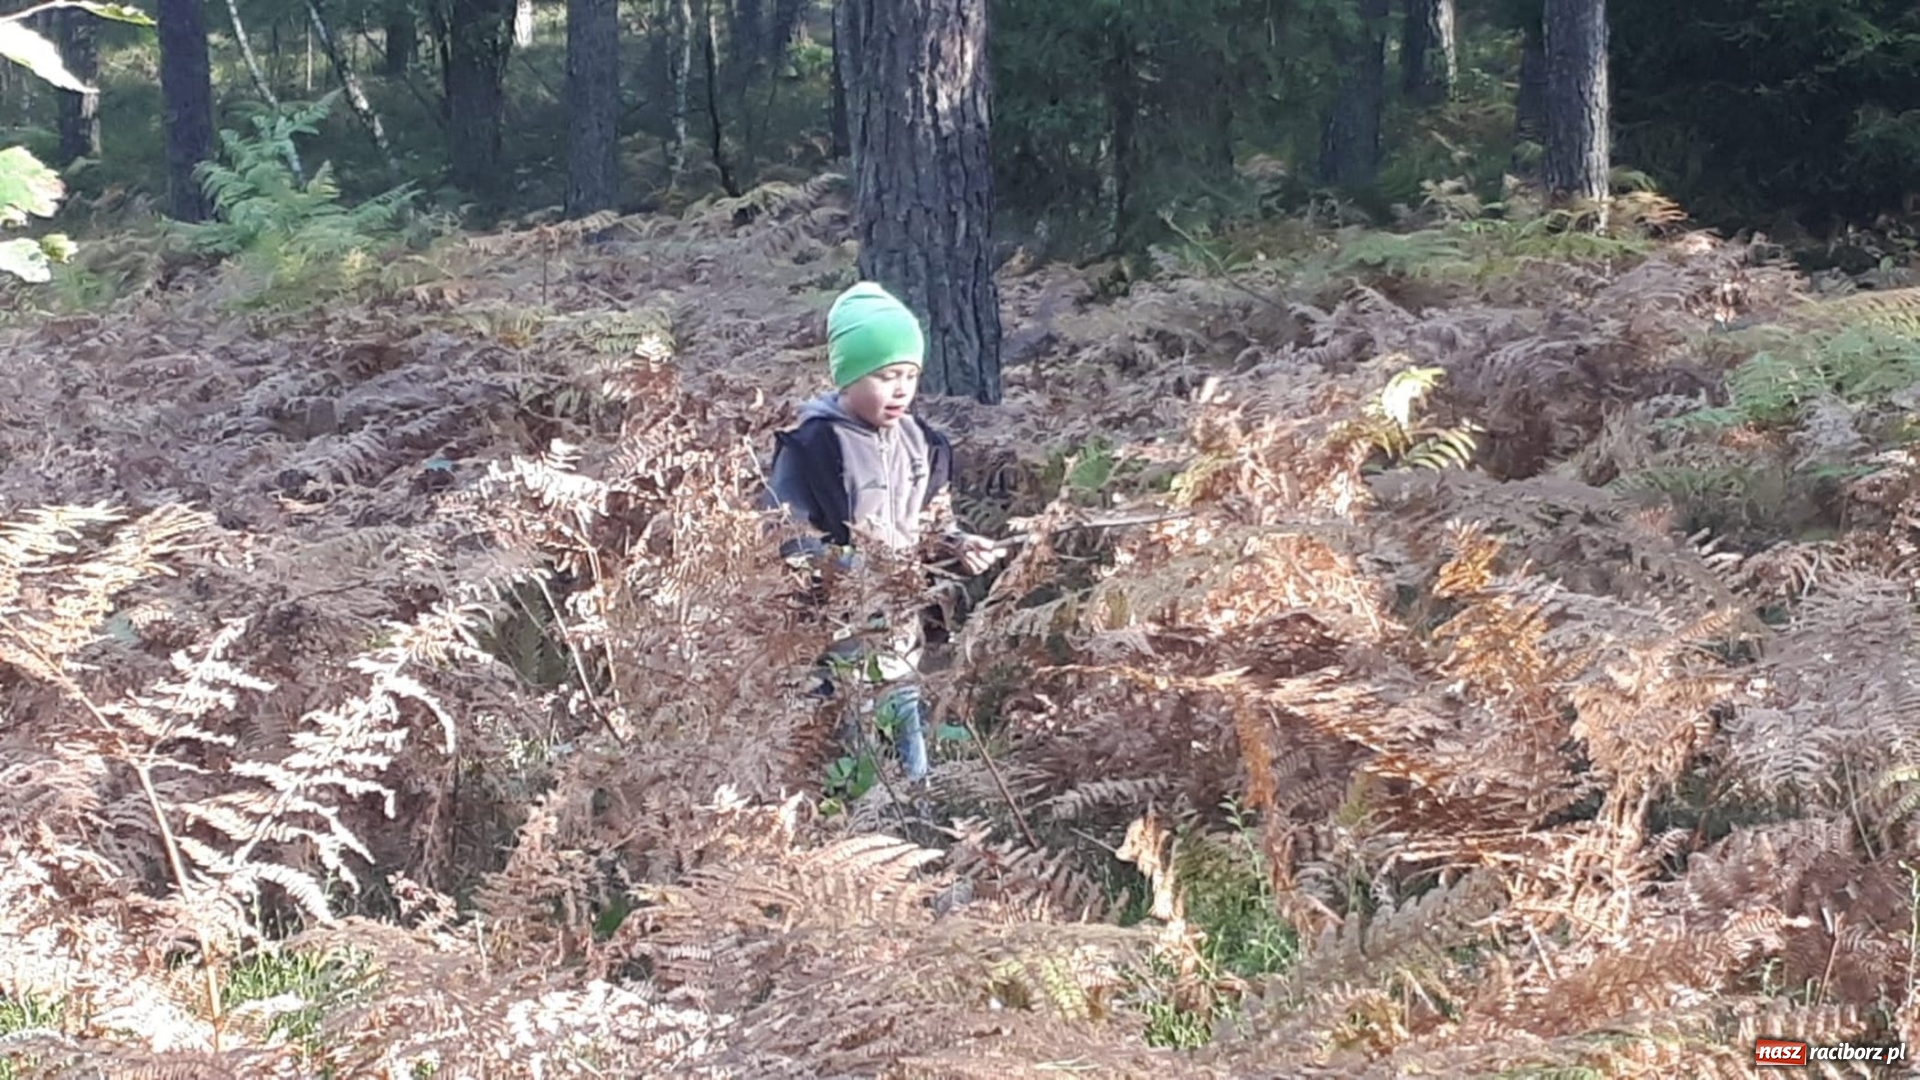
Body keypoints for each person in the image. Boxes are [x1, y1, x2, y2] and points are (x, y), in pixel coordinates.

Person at [762, 281, 1002, 782]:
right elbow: (784, 532)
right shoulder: (814, 445)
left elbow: (934, 522)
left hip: (900, 635)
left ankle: (919, 815)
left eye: (909, 376)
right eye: (885, 375)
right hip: (838, 641)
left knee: (911, 752)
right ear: (848, 377)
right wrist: (841, 570)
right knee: (851, 755)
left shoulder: (924, 445)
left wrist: (959, 546)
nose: (900, 390)